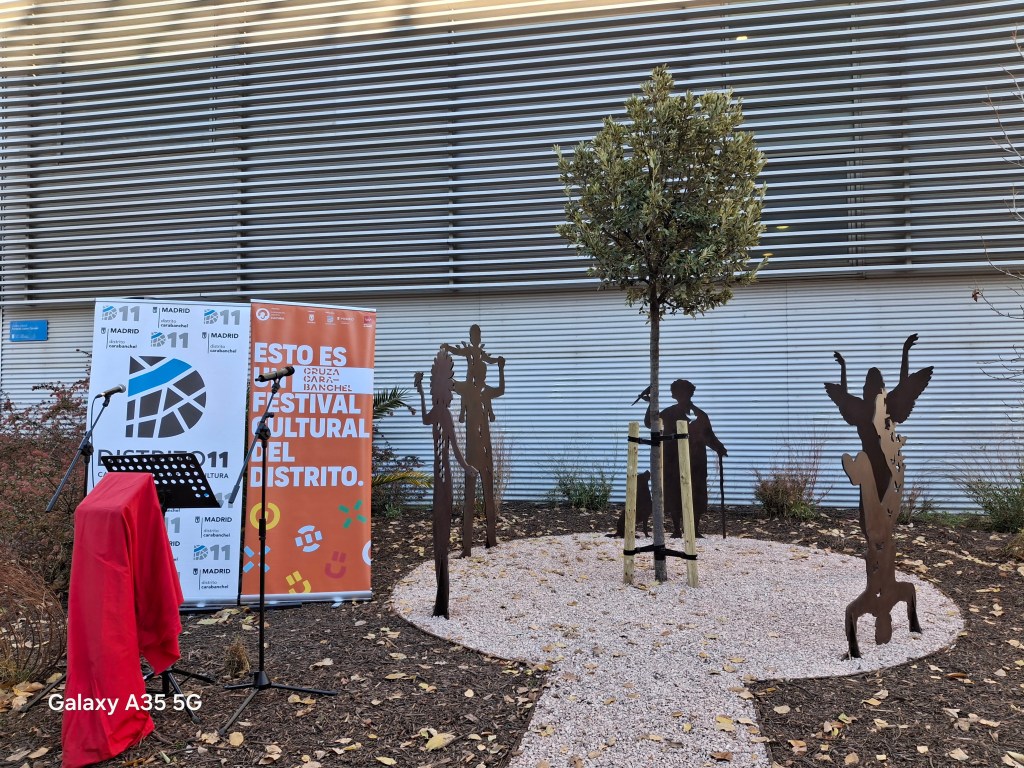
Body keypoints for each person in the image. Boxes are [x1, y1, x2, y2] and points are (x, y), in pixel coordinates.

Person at [414, 351, 477, 619]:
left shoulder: (445, 415)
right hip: (440, 479)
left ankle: (442, 597)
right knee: (437, 528)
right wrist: (418, 390)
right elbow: (426, 420)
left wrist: (466, 468)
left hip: (445, 479)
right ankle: (440, 597)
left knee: (441, 529)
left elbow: (454, 448)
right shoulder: (440, 412)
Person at [442, 325, 505, 553]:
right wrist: (447, 353)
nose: (478, 373)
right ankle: (467, 546)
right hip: (472, 447)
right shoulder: (468, 388)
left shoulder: (483, 390)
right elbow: (450, 382)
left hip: (484, 446)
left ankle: (490, 539)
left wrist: (500, 367)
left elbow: (500, 388)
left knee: (487, 489)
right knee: (470, 494)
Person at [639, 379, 726, 538]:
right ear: (674, 395)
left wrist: (719, 448)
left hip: (696, 462)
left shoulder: (700, 415)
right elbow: (650, 423)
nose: (681, 395)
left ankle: (694, 529)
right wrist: (651, 404)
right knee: (674, 493)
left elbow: (709, 436)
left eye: (684, 392)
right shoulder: (668, 413)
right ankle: (677, 529)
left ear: (690, 393)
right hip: (673, 461)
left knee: (697, 493)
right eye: (677, 392)